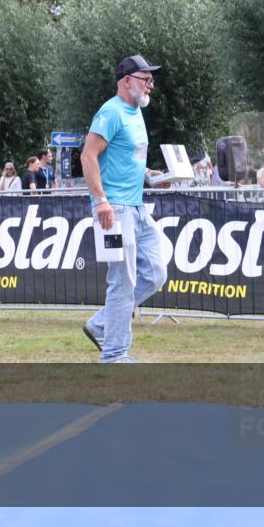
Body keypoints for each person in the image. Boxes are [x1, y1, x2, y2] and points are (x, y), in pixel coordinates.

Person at [81, 54, 169, 363]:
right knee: (123, 281)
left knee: (156, 273)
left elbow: (127, 157)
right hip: (114, 211)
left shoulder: (136, 112)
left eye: (152, 80)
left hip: (138, 209)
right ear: (127, 80)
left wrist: (151, 175)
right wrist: (101, 201)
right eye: (146, 79)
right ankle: (115, 355)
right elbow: (88, 156)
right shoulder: (111, 112)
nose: (151, 85)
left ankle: (101, 324)